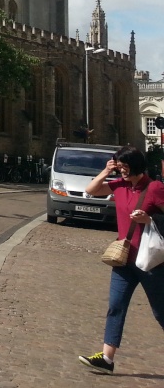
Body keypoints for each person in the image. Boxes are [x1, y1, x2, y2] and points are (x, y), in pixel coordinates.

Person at [78, 146, 164, 375]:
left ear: (136, 165)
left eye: (125, 167)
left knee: (160, 311)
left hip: (150, 261)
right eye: (120, 166)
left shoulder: (154, 188)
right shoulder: (120, 185)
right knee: (116, 306)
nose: (122, 171)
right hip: (124, 259)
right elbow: (91, 190)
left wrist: (150, 219)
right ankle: (107, 358)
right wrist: (106, 172)